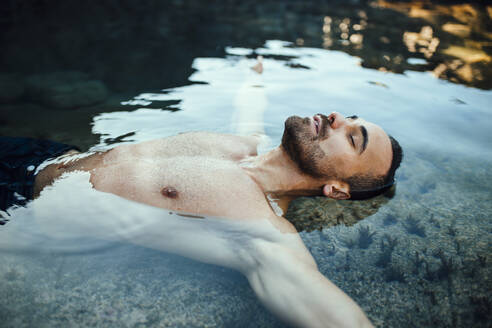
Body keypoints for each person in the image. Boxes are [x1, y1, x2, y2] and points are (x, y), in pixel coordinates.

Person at [0, 111, 402, 328]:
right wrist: (256, 75)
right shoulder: (248, 142)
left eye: (353, 137)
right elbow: (251, 106)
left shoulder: (263, 229)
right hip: (46, 153)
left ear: (336, 189)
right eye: (348, 117)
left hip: (18, 205)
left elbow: (327, 310)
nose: (336, 118)